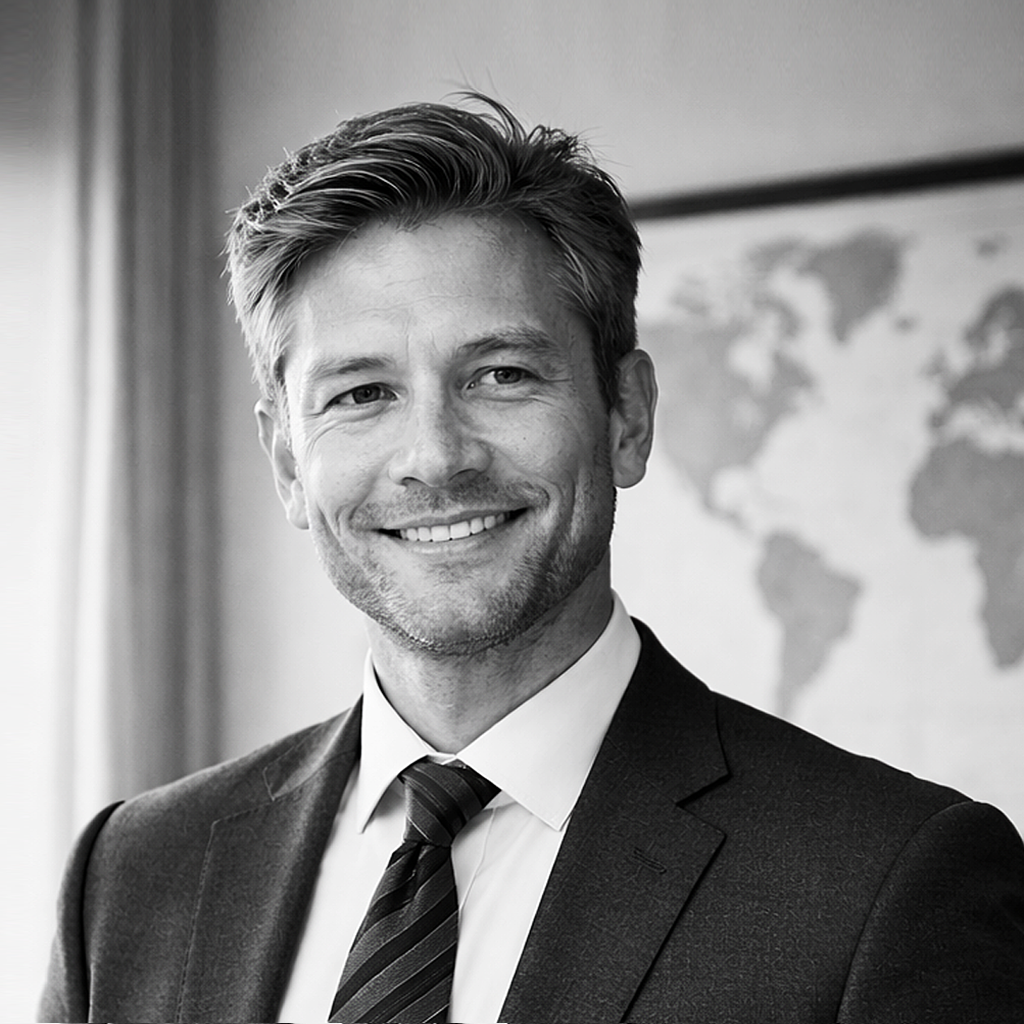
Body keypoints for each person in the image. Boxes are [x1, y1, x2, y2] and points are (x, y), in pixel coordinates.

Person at [41, 95, 1024, 1024]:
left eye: (501, 374)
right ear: (288, 462)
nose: (434, 456)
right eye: (360, 393)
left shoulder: (887, 883)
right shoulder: (132, 873)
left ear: (627, 416)